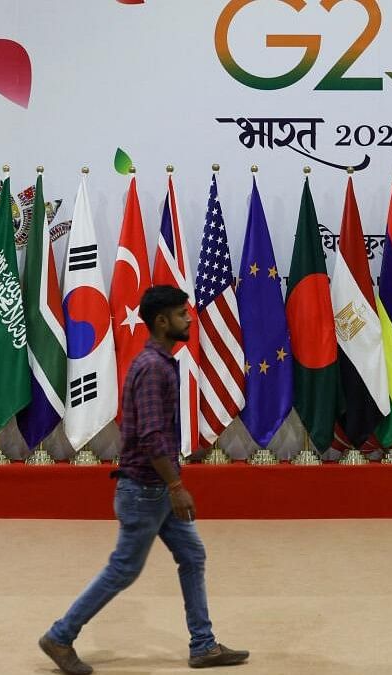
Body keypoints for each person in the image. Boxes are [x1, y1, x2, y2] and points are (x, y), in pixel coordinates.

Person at [40, 285, 249, 673]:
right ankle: (60, 635)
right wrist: (176, 487)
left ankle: (203, 645)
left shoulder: (157, 362)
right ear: (161, 321)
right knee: (123, 569)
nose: (189, 319)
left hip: (151, 490)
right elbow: (153, 437)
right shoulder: (154, 368)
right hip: (147, 491)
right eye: (181, 314)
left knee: (192, 555)